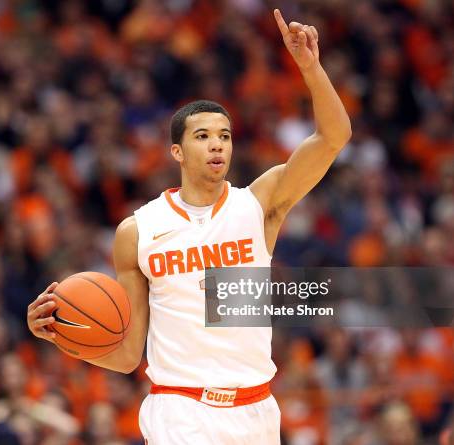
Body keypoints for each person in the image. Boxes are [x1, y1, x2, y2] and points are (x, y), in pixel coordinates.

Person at [27, 9, 351, 444]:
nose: (217, 143)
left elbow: (333, 138)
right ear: (176, 152)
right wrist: (60, 334)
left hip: (256, 410)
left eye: (225, 135)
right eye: (202, 136)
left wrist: (310, 68)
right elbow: (126, 355)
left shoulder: (259, 204)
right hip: (180, 410)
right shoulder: (138, 231)